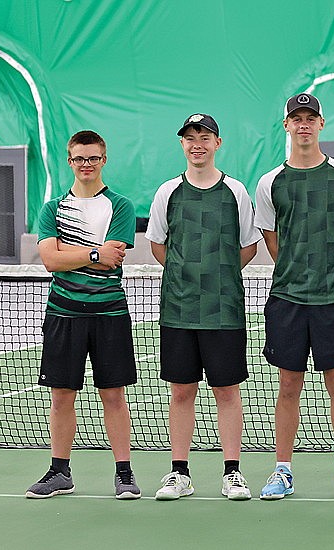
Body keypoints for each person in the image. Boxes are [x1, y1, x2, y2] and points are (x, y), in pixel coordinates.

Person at [254, 93, 334, 500]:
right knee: (289, 386)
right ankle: (282, 470)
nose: (303, 124)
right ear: (287, 125)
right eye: (296, 118)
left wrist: (326, 267)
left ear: (321, 124)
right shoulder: (270, 182)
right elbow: (272, 239)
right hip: (287, 298)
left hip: (332, 296)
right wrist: (298, 270)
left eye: (310, 118)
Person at [145, 114, 261, 501]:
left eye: (205, 137)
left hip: (223, 310)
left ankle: (233, 473)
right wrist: (188, 277)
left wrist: (216, 277)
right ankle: (180, 473)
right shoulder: (167, 193)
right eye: (190, 138)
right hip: (178, 311)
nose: (197, 143)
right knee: (181, 392)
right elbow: (159, 245)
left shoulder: (236, 191)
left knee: (226, 391)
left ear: (217, 143)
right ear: (182, 144)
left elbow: (248, 247)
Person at [26, 130, 140, 500]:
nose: (86, 165)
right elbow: (50, 260)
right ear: (69, 161)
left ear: (103, 160)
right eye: (79, 158)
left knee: (113, 394)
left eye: (92, 158)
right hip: (63, 314)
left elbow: (114, 256)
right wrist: (93, 253)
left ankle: (124, 473)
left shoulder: (120, 206)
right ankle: (59, 472)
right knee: (61, 396)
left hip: (110, 315)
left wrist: (71, 253)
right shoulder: (51, 209)